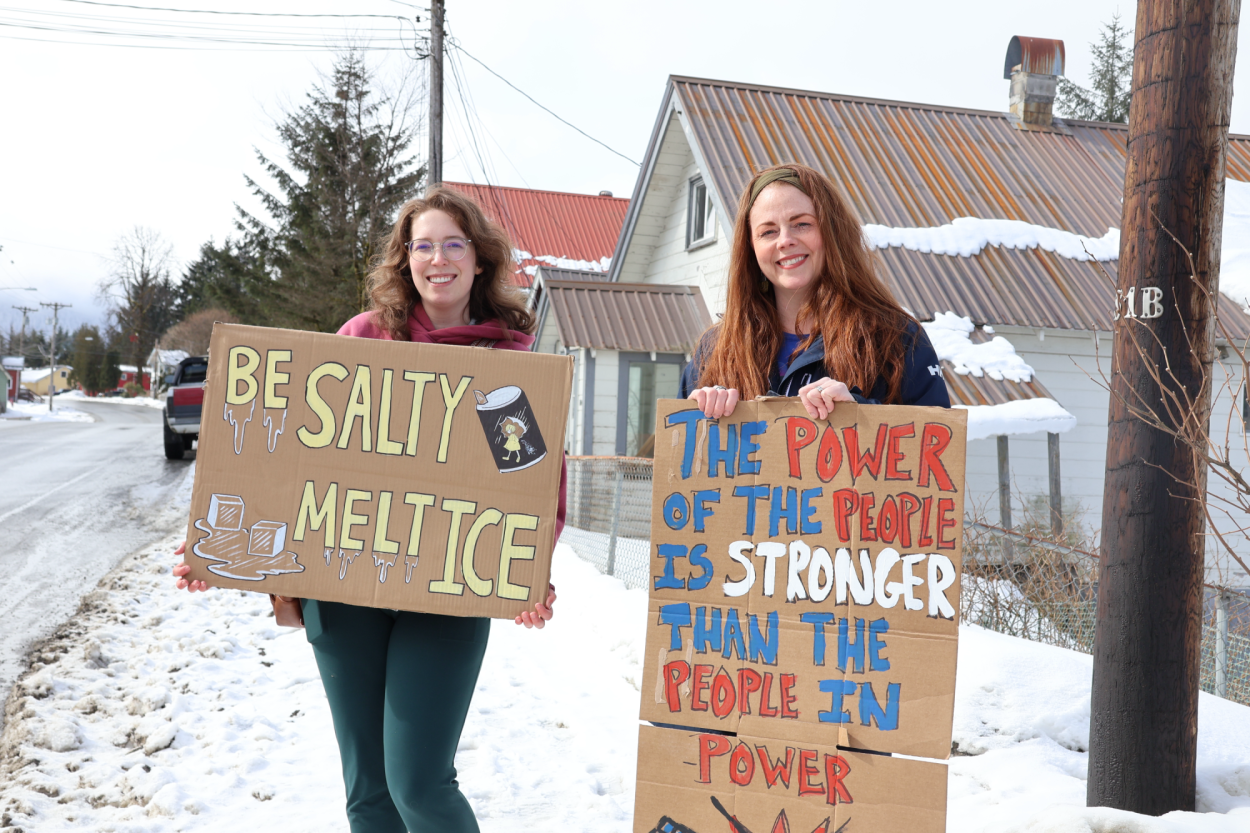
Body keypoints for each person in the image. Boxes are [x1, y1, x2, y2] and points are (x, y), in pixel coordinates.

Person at [173, 186, 564, 833]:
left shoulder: (509, 366)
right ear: (405, 258)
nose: (438, 259)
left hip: (448, 592)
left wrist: (527, 570)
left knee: (419, 784)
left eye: (453, 244)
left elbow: (531, 484)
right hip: (345, 589)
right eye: (423, 245)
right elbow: (294, 457)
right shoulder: (364, 338)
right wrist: (214, 544)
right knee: (369, 794)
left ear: (480, 258)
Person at [682, 163, 950, 418]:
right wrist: (695, 416)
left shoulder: (897, 338)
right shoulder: (715, 350)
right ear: (750, 248)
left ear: (833, 232)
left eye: (802, 224)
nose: (785, 241)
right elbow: (673, 444)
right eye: (768, 232)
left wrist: (861, 414)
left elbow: (939, 441)